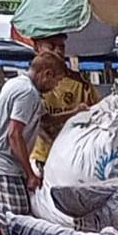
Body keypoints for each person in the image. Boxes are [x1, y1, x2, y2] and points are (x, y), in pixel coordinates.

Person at [0, 53, 62, 216]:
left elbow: (46, 120)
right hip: (6, 168)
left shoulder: (16, 83)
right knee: (15, 220)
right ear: (47, 74)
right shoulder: (28, 93)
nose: (55, 86)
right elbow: (14, 134)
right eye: (57, 80)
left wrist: (77, 112)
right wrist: (30, 174)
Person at [30, 34, 100, 168]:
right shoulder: (30, 87)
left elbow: (98, 113)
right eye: (51, 46)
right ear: (37, 48)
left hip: (75, 158)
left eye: (61, 47)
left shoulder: (82, 85)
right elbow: (38, 123)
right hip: (43, 158)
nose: (57, 51)